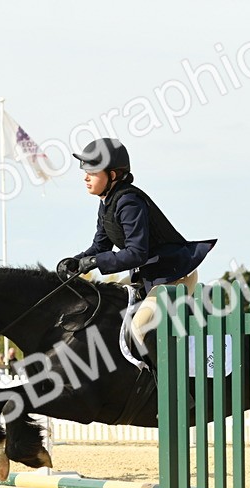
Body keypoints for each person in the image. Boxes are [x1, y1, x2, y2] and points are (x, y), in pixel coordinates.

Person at [56, 138, 216, 351]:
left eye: (92, 172)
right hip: (149, 275)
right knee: (108, 305)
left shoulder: (129, 202)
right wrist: (76, 261)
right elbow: (100, 247)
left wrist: (94, 262)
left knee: (138, 328)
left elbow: (136, 254)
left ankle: (156, 382)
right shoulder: (107, 204)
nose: (85, 177)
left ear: (112, 175)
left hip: (174, 276)